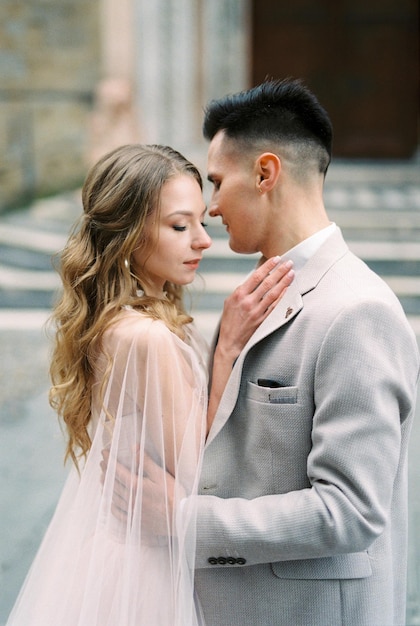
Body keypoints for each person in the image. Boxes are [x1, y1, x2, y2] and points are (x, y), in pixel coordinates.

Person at [110, 80, 420, 625]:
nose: (210, 207)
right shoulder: (260, 293)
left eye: (217, 182)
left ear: (264, 173)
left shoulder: (355, 310)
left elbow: (350, 511)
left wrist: (183, 523)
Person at [5, 143, 294, 626]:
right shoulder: (146, 337)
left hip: (118, 551)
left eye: (202, 221)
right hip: (146, 570)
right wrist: (226, 351)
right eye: (180, 226)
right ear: (128, 236)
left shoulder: (119, 320)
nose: (203, 240)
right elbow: (199, 465)